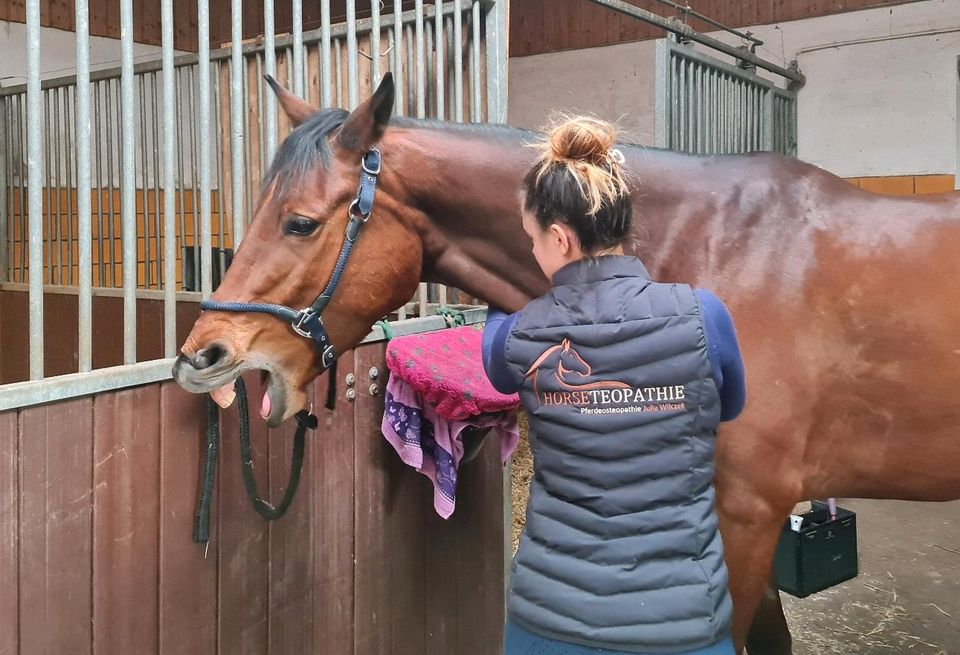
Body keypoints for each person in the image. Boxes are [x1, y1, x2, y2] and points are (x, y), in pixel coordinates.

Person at [482, 116, 746, 655]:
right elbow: (730, 405)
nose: (533, 254)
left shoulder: (518, 335)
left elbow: (492, 355)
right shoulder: (704, 317)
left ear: (559, 237)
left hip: (549, 621)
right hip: (684, 623)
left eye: (533, 241)